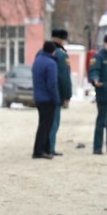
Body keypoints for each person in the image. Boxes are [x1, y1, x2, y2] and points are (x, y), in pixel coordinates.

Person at [31, 41, 59, 159]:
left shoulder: (37, 61)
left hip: (39, 97)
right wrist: (56, 98)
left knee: (44, 123)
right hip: (48, 99)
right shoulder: (51, 63)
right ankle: (38, 151)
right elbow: (52, 84)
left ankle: (46, 149)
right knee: (46, 126)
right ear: (53, 51)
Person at [48, 28, 73, 156]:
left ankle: (44, 147)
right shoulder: (61, 54)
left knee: (45, 122)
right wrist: (67, 95)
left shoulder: (42, 52)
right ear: (61, 39)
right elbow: (64, 77)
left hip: (43, 94)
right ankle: (50, 147)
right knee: (54, 122)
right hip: (56, 93)